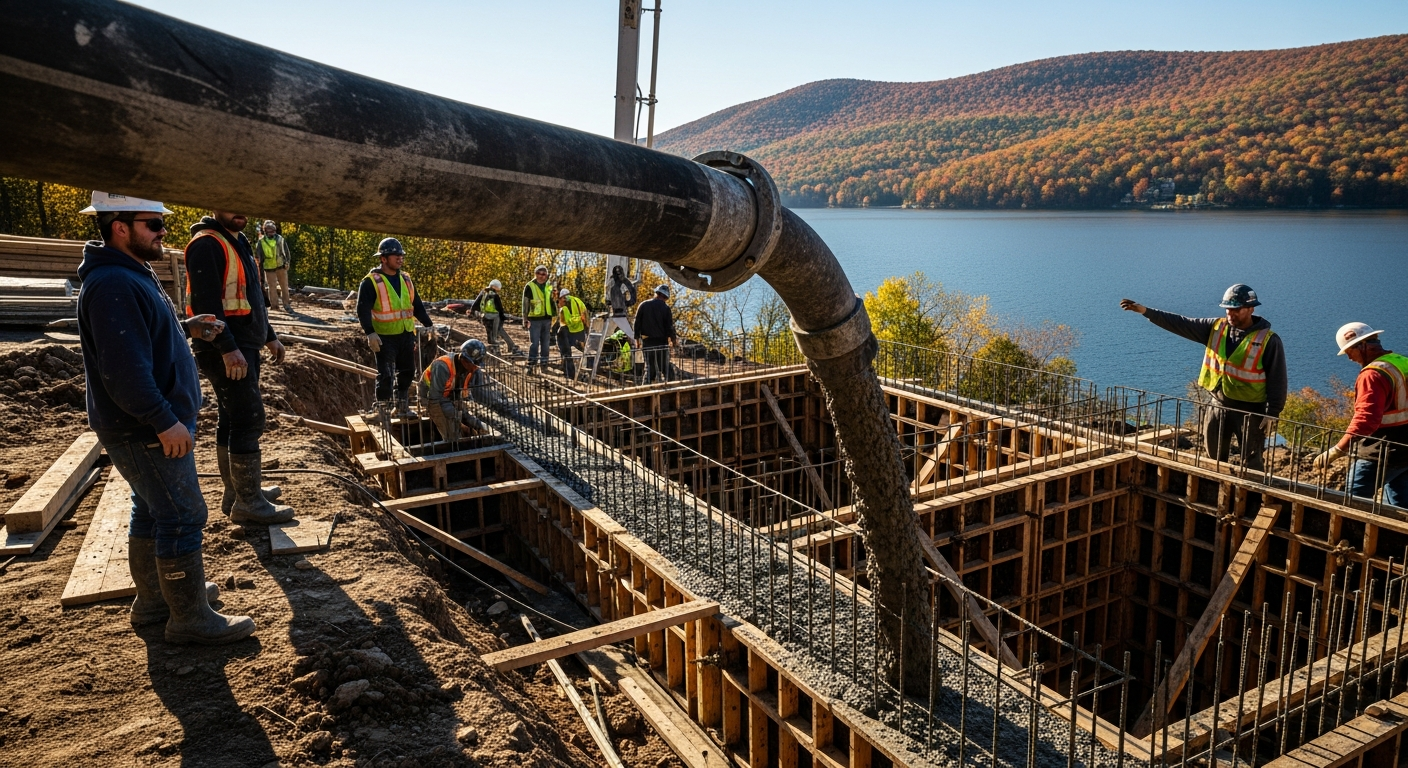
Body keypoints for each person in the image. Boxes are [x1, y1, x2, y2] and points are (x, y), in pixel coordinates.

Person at [77, 191, 252, 645]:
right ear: (120, 226)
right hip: (144, 427)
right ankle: (189, 617)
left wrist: (185, 328)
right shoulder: (114, 283)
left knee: (153, 510)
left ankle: (158, 599)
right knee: (183, 515)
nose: (163, 232)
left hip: (142, 425)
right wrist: (162, 419)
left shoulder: (129, 273)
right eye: (153, 225)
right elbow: (123, 369)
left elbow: (140, 339)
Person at [185, 208, 293, 524]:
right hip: (225, 348)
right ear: (213, 206)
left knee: (232, 417)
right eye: (231, 205)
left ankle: (238, 493)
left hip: (244, 343)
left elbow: (254, 295)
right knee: (248, 418)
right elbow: (207, 306)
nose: (240, 212)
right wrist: (228, 349)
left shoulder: (239, 241)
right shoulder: (207, 244)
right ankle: (248, 503)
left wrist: (269, 336)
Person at [1120, 284, 1286, 470]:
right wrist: (1146, 311)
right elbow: (1181, 323)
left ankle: (1251, 499)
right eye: (1227, 309)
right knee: (1213, 459)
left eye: (1236, 310)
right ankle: (1218, 495)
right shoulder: (1216, 327)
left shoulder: (1268, 340)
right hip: (1218, 405)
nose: (1230, 314)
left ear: (1251, 309)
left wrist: (1272, 413)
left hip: (1251, 412)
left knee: (1251, 462)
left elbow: (1277, 379)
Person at [1313, 323, 1408, 506]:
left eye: (1349, 350)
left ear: (1363, 346)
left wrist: (1337, 450)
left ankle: (1350, 533)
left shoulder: (1372, 375)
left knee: (1351, 500)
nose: (1348, 357)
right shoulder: (1401, 361)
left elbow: (1366, 419)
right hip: (1405, 449)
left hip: (1381, 451)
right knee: (1400, 506)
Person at [358, 237, 434, 418]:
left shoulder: (406, 280)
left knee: (407, 371)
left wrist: (428, 324)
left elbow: (416, 305)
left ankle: (401, 406)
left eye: (401, 255)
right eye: (396, 255)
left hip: (406, 334)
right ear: (383, 259)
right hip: (384, 336)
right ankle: (382, 409)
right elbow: (362, 309)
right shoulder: (371, 282)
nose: (400, 258)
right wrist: (370, 333)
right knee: (385, 374)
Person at [420, 339, 488, 443]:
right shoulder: (442, 366)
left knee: (464, 418)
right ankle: (451, 441)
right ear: (465, 360)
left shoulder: (469, 369)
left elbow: (462, 393)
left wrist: (469, 419)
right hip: (431, 398)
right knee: (451, 433)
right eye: (474, 364)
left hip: (450, 395)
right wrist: (454, 414)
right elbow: (435, 399)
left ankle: (463, 432)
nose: (475, 368)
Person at [634, 283, 678, 384]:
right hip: (661, 343)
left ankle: (645, 391)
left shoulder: (643, 305)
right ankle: (673, 387)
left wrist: (637, 340)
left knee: (650, 368)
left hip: (647, 341)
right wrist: (673, 341)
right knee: (665, 367)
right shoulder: (665, 308)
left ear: (656, 293)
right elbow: (669, 327)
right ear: (666, 297)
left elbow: (637, 324)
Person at [470, 279, 521, 356]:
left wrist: (476, 314)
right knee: (499, 331)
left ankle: (497, 351)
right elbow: (500, 309)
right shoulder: (495, 296)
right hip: (495, 318)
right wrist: (503, 318)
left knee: (492, 334)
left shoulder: (483, 293)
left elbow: (474, 306)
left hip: (485, 317)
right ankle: (511, 347)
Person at [254, 220, 294, 313]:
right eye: (270, 230)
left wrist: (287, 262)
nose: (272, 232)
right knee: (272, 287)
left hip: (281, 266)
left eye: (273, 230)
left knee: (284, 286)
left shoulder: (280, 239)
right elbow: (259, 257)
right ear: (265, 231)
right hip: (268, 268)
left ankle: (286, 305)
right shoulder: (261, 242)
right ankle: (274, 306)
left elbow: (287, 252)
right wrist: (260, 270)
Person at [522, 265, 554, 372]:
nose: (541, 276)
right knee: (534, 343)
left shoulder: (549, 286)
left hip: (547, 319)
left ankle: (544, 364)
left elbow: (552, 301)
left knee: (545, 343)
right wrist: (525, 318)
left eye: (543, 274)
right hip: (534, 319)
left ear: (546, 275)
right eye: (539, 273)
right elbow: (525, 303)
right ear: (535, 274)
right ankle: (531, 365)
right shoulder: (530, 286)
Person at [553, 288, 588, 379]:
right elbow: (585, 315)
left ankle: (569, 373)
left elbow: (566, 322)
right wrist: (586, 327)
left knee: (566, 352)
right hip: (580, 330)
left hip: (567, 331)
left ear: (562, 297)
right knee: (586, 350)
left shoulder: (563, 307)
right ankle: (591, 368)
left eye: (559, 299)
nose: (559, 301)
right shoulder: (578, 301)